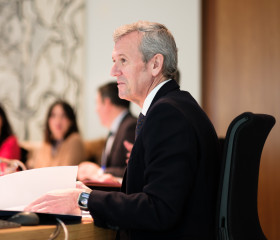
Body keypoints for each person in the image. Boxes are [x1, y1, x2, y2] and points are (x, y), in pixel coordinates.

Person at [25, 21, 220, 240]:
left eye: (123, 61)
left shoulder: (168, 115)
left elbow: (160, 209)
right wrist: (90, 195)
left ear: (155, 64)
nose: (113, 71)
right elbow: (146, 196)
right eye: (114, 61)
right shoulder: (173, 107)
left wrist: (84, 200)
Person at [77, 82, 136, 182]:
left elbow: (132, 169)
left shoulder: (130, 126)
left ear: (107, 103)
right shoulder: (116, 129)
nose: (96, 110)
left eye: (97, 103)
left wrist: (99, 172)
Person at [26, 100, 85, 168]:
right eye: (53, 115)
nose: (58, 120)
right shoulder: (46, 144)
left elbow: (64, 171)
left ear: (71, 121)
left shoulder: (75, 140)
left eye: (63, 115)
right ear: (48, 120)